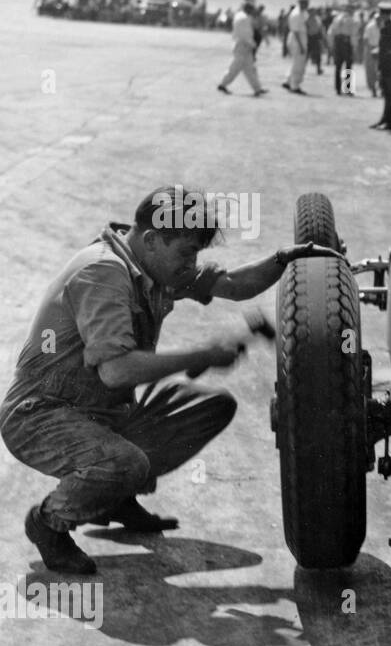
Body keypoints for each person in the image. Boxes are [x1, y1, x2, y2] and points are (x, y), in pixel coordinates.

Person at [1, 189, 328, 574]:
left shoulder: (153, 264)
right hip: (41, 416)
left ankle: (113, 498)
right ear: (154, 239)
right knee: (126, 462)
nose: (191, 264)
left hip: (99, 411)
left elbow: (236, 284)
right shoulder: (103, 274)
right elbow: (116, 370)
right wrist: (202, 355)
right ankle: (49, 522)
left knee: (209, 408)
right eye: (187, 253)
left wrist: (284, 259)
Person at [218, 0, 269, 96]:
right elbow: (245, 35)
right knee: (235, 68)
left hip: (244, 46)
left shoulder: (241, 16)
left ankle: (257, 89)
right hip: (242, 45)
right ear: (248, 9)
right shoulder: (244, 18)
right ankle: (223, 84)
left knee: (249, 69)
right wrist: (253, 44)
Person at [371, 2, 391, 132]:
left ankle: (390, 122)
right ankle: (385, 119)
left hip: (389, 66)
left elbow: (388, 50)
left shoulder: (388, 29)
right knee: (387, 94)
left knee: (389, 95)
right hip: (390, 65)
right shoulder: (390, 28)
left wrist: (380, 65)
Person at [328, 4, 359, 95]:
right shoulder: (353, 20)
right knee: (348, 66)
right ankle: (347, 88)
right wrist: (354, 47)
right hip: (346, 42)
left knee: (338, 66)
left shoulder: (337, 18)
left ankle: (338, 88)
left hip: (338, 42)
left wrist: (331, 44)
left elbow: (330, 32)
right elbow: (354, 34)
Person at [282, 0, 309, 94]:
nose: (307, 5)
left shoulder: (303, 13)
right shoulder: (296, 14)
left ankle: (288, 81)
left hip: (300, 38)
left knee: (295, 63)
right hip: (297, 39)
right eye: (305, 3)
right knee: (298, 64)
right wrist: (301, 46)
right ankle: (294, 86)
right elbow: (296, 31)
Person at [361, 8, 381, 97]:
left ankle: (380, 88)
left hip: (381, 48)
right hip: (371, 48)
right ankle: (373, 89)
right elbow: (365, 39)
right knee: (371, 70)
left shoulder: (384, 26)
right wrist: (370, 50)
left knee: (380, 70)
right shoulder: (370, 26)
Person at [305, 8, 325, 74]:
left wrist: (321, 36)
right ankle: (302, 69)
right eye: (311, 12)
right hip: (309, 37)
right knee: (306, 55)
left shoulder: (317, 18)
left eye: (314, 12)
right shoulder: (306, 19)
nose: (313, 13)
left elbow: (320, 28)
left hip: (316, 38)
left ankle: (319, 69)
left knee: (318, 54)